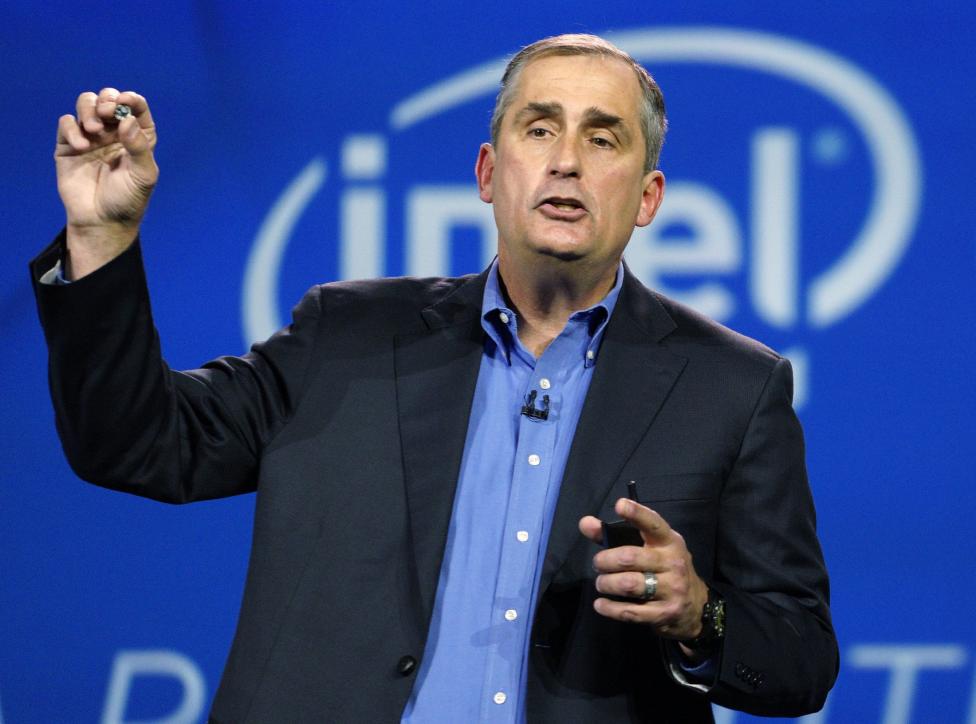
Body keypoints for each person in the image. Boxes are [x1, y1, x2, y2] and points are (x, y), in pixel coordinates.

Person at [32, 34, 838, 723]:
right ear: (488, 172)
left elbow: (799, 657)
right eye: (539, 128)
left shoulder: (732, 388)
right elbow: (137, 444)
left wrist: (701, 616)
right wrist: (100, 238)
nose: (565, 161)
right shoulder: (344, 335)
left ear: (648, 196)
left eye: (603, 139)